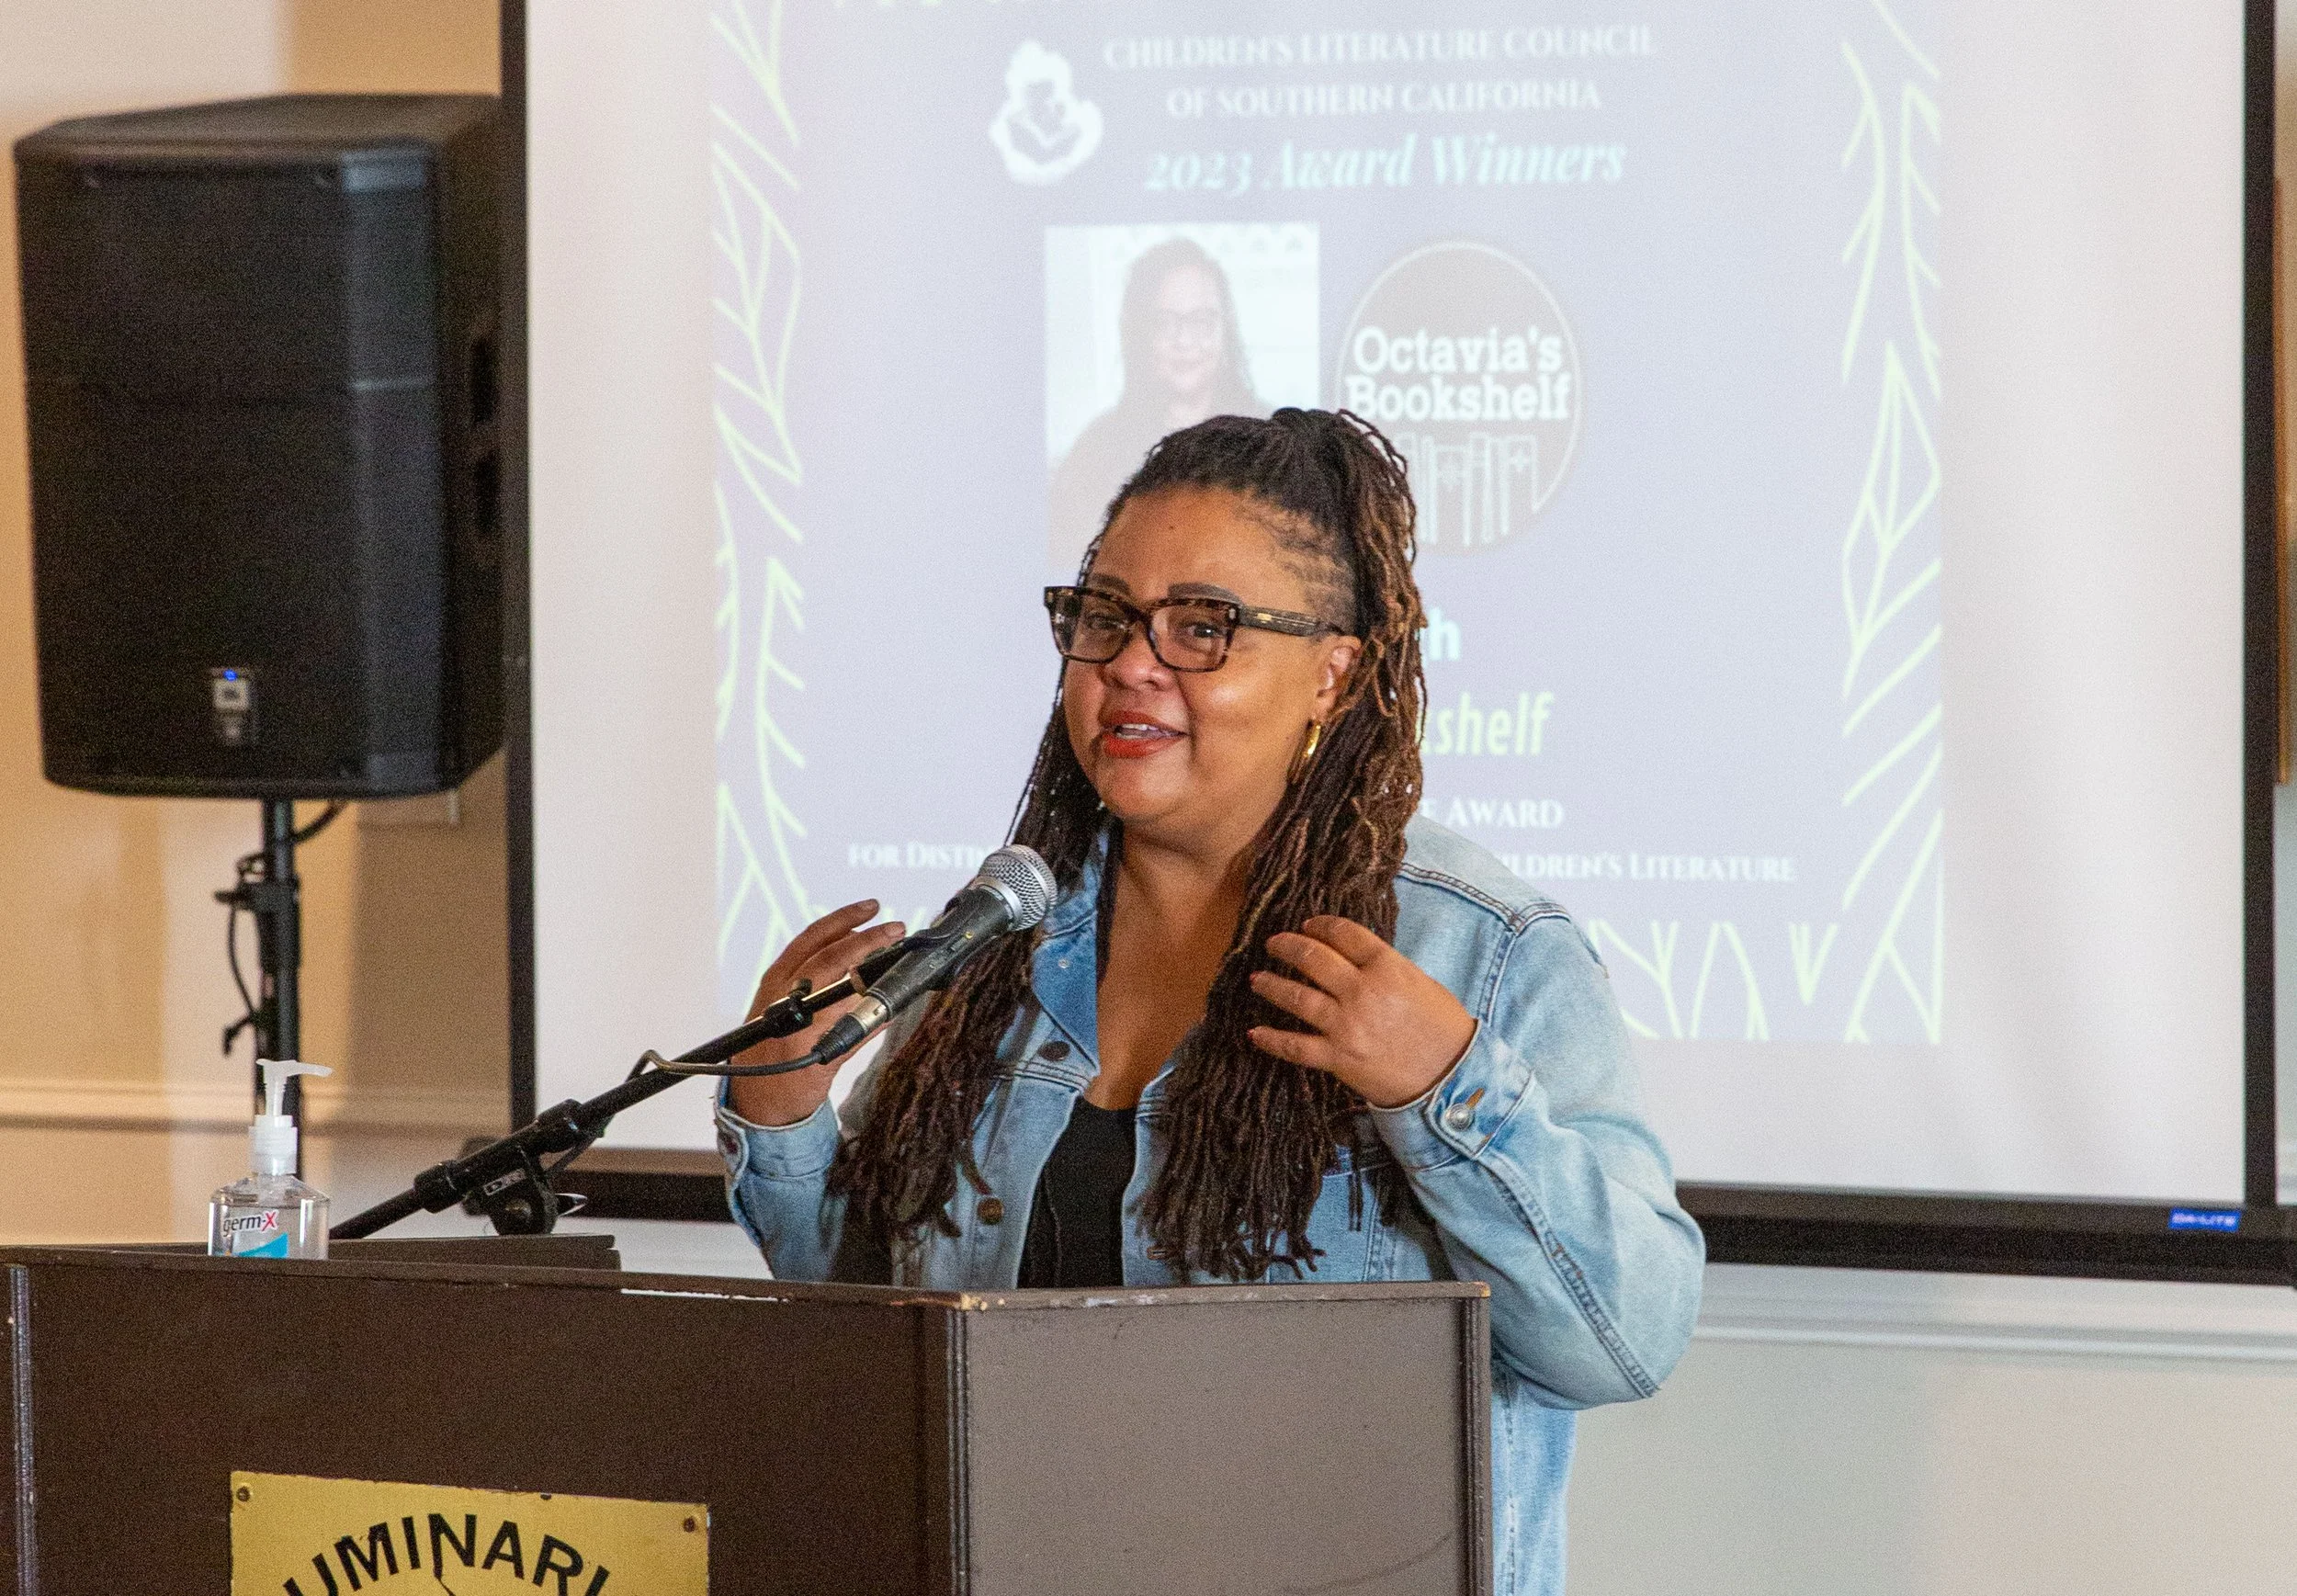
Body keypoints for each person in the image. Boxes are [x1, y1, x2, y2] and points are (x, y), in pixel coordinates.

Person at [719, 409, 1703, 1595]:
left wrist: (1446, 1088)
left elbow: (1626, 1338)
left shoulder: (1477, 951)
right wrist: (783, 1112)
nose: (1133, 663)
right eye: (1105, 617)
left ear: (1332, 674)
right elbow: (892, 1354)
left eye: (1204, 627)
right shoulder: (997, 947)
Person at [1048, 236, 1266, 568]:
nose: (1184, 340)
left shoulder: (1269, 443)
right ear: (1140, 335)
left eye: (1202, 321)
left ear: (1227, 331)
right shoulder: (1096, 451)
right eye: (1166, 322)